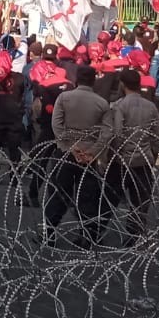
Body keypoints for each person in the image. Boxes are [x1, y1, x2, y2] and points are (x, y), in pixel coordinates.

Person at [46, 65, 110, 245]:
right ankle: (87, 237)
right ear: (93, 81)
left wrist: (69, 147)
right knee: (87, 197)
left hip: (66, 153)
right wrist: (93, 152)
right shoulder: (101, 102)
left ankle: (49, 233)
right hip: (88, 156)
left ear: (76, 80)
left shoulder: (64, 97)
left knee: (58, 194)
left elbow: (56, 125)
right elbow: (106, 132)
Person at [105, 70, 159, 239]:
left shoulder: (118, 106)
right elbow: (156, 135)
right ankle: (134, 234)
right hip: (143, 160)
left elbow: (117, 134)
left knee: (109, 200)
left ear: (122, 84)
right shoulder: (150, 106)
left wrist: (113, 156)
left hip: (121, 161)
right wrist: (153, 156)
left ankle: (94, 233)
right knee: (140, 202)